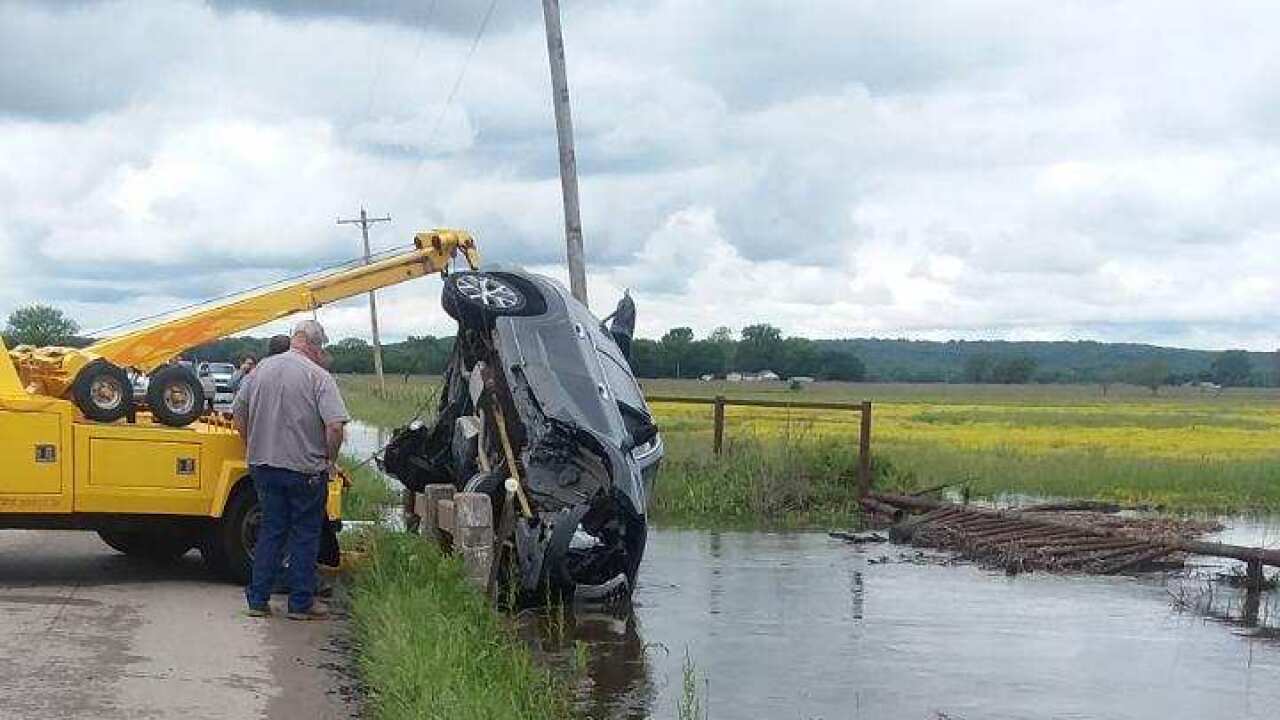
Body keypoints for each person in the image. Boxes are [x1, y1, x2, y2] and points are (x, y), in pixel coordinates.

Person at [232, 319, 349, 620]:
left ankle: (258, 600)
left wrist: (251, 445)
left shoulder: (258, 371)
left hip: (263, 465)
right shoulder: (318, 376)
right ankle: (300, 604)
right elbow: (334, 426)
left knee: (271, 530)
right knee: (304, 534)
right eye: (321, 347)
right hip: (304, 469)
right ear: (313, 345)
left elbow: (238, 413)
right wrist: (329, 459)